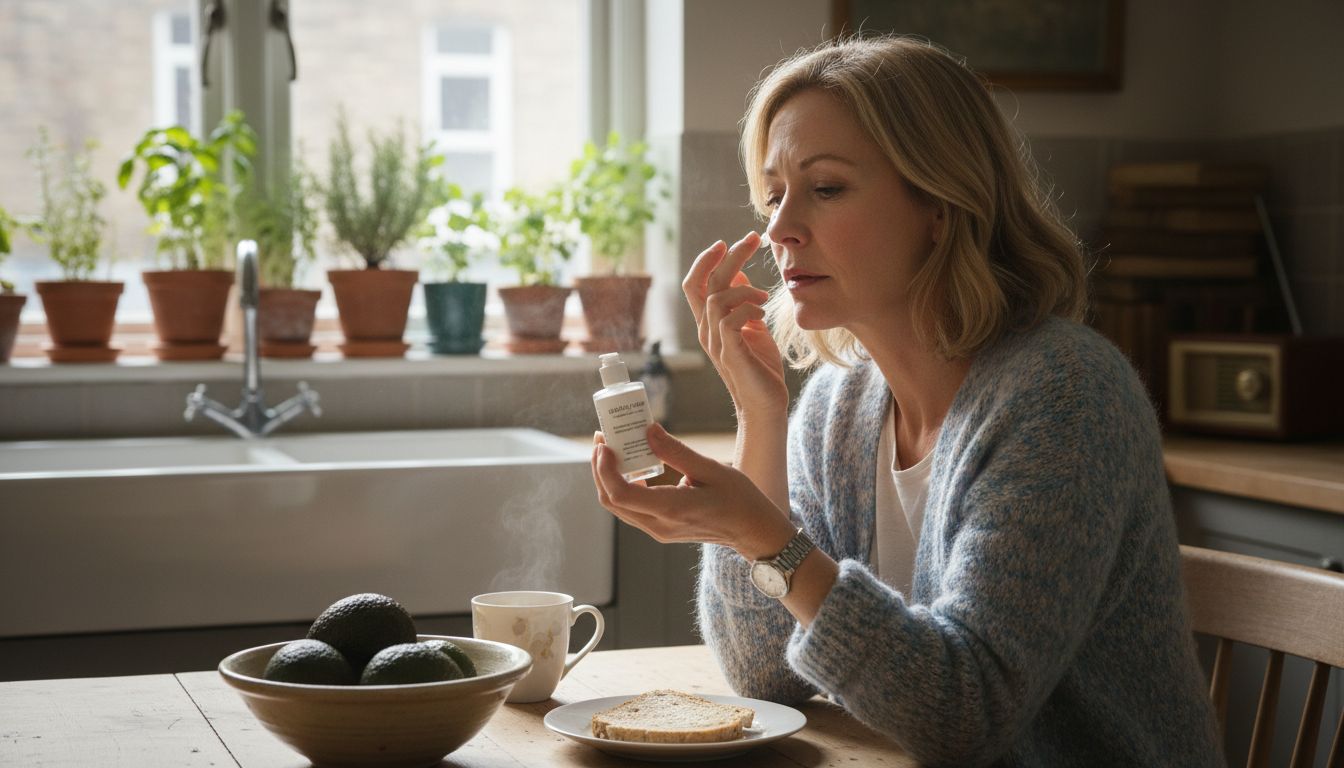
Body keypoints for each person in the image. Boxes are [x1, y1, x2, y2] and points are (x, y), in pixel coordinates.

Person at [589, 35, 1223, 767]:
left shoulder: (1067, 398)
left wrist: (766, 537)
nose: (780, 229)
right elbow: (765, 677)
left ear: (941, 205)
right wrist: (758, 419)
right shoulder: (837, 410)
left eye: (824, 189)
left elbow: (965, 711)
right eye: (772, 195)